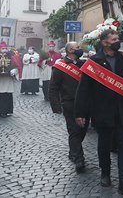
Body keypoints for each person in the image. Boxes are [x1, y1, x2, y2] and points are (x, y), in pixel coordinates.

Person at [74, 29, 123, 197]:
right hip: (103, 111)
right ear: (104, 42)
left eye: (118, 38)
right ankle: (105, 173)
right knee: (104, 145)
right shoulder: (94, 61)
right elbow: (83, 90)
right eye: (114, 38)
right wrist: (80, 113)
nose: (117, 40)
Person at [49, 41, 88, 173]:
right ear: (70, 50)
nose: (80, 49)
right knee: (74, 130)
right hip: (69, 103)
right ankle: (79, 159)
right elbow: (53, 87)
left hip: (84, 103)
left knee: (83, 129)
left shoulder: (83, 64)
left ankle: (73, 151)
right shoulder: (60, 67)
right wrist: (56, 105)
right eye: (77, 47)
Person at [0, 42, 22, 117]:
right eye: (2, 48)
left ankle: (6, 111)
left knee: (6, 95)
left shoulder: (11, 56)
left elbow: (17, 65)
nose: (4, 50)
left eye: (5, 48)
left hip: (7, 79)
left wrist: (15, 70)